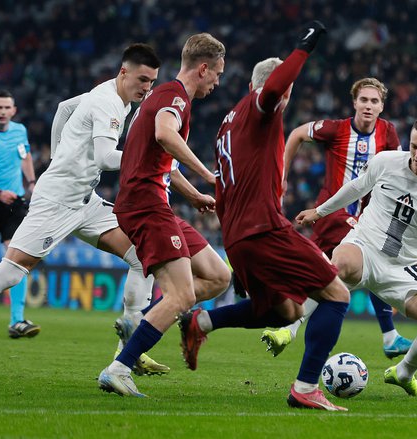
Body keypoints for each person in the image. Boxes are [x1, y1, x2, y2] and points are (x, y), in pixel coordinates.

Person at [180, 21, 350, 411]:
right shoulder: (263, 108)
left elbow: (225, 188)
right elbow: (273, 88)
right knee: (336, 294)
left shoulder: (228, 123)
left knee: (283, 309)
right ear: (280, 89)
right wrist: (303, 49)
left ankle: (201, 323)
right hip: (264, 230)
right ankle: (306, 388)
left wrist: (237, 256)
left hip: (239, 236)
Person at [0, 45, 169, 374]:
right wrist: (154, 160)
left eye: (151, 82)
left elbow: (65, 108)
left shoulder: (111, 94)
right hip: (57, 200)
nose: (146, 88)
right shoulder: (108, 102)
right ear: (123, 72)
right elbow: (106, 157)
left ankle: (129, 352)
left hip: (85, 201)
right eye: (142, 79)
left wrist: (56, 155)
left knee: (143, 255)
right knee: (10, 273)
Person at [297, 114, 417, 397]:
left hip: (404, 267)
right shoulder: (387, 161)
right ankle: (289, 329)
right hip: (365, 246)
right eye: (413, 145)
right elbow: (356, 187)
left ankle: (403, 372)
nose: (416, 154)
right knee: (338, 265)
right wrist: (319, 211)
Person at [97, 33, 231, 397]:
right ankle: (120, 367)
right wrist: (208, 174)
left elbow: (164, 163)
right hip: (145, 206)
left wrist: (195, 194)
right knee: (182, 295)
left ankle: (143, 323)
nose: (217, 82)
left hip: (158, 203)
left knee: (218, 276)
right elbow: (165, 135)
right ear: (202, 68)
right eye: (217, 73)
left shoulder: (161, 97)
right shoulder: (173, 97)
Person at [261, 77, 412, 359]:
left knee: (327, 277)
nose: (368, 106)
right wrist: (282, 177)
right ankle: (389, 336)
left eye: (374, 101)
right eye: (364, 100)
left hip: (366, 214)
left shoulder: (388, 133)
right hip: (333, 214)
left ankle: (288, 331)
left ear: (382, 107)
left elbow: (397, 171)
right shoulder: (336, 129)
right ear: (354, 103)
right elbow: (295, 134)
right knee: (367, 258)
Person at [0, 90, 38, 338]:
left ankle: (17, 321)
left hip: (13, 203)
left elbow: (25, 157)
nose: (2, 112)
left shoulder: (19, 131)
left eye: (6, 108)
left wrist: (32, 181)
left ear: (13, 111)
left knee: (17, 256)